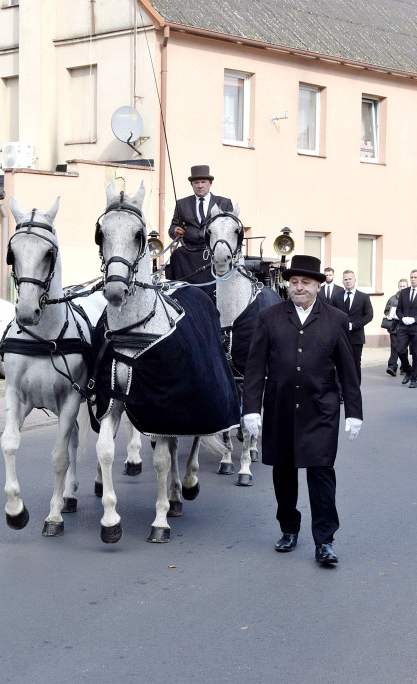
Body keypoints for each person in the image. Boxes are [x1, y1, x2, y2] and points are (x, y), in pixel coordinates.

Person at [241, 254, 362, 566]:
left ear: (318, 286)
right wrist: (250, 408)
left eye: (305, 282)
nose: (299, 287)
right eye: (294, 282)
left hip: (321, 410)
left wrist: (354, 411)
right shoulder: (270, 317)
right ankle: (288, 529)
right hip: (280, 408)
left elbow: (348, 369)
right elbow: (254, 367)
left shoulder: (335, 319)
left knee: (321, 474)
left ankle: (325, 541)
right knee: (283, 472)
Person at [166, 165, 235, 300]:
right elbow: (172, 227)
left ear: (210, 183)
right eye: (196, 182)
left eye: (203, 182)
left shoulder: (224, 203)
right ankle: (179, 295)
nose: (200, 186)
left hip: (212, 251)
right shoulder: (182, 204)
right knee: (176, 254)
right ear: (191, 184)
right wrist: (175, 230)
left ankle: (215, 295)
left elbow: (231, 228)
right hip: (189, 252)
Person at [333, 270, 373, 383]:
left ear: (354, 280)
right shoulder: (336, 297)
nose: (348, 281)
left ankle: (355, 390)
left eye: (350, 279)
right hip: (340, 336)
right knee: (340, 363)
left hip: (356, 337)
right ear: (342, 281)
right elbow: (332, 314)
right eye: (345, 279)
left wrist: (354, 325)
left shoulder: (363, 297)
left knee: (355, 364)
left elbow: (369, 315)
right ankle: (340, 392)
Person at [384, 278, 408, 377]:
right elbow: (386, 310)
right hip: (394, 327)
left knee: (403, 348)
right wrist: (388, 315)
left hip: (405, 327)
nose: (402, 288)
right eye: (400, 286)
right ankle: (392, 366)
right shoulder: (392, 299)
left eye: (404, 286)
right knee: (394, 347)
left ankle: (404, 367)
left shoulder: (410, 298)